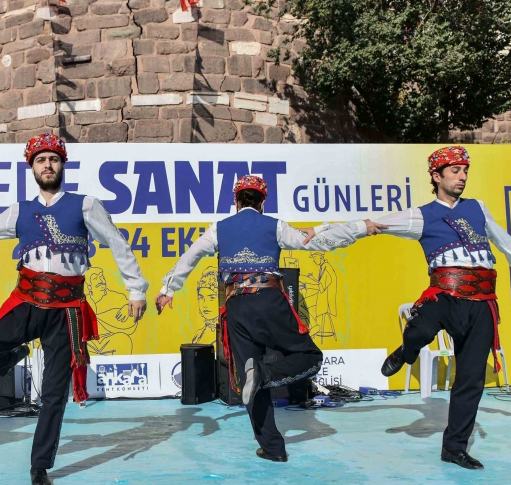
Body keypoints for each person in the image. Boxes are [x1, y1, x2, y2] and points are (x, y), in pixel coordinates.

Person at [310, 146, 511, 469]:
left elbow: (504, 241)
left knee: (471, 380)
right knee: (421, 327)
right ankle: (406, 351)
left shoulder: (478, 209)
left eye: (465, 171)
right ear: (436, 176)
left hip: (481, 304)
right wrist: (324, 233)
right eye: (455, 171)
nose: (462, 177)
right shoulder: (421, 215)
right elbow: (373, 224)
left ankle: (454, 447)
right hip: (445, 296)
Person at [0, 134, 148, 485]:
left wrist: (136, 288)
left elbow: (116, 242)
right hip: (27, 301)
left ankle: (39, 466)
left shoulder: (85, 205)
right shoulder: (19, 210)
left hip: (67, 311)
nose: (47, 165)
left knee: (54, 393)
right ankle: (16, 354)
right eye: (40, 160)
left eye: (53, 158)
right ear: (31, 168)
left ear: (62, 164)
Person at [155, 175, 383, 462]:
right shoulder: (275, 225)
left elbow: (191, 256)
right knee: (309, 357)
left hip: (236, 307)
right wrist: (362, 227)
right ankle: (265, 375)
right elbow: (318, 242)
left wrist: (167, 289)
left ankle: (273, 448)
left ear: (236, 201)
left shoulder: (219, 229)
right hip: (269, 301)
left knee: (249, 377)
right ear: (263, 202)